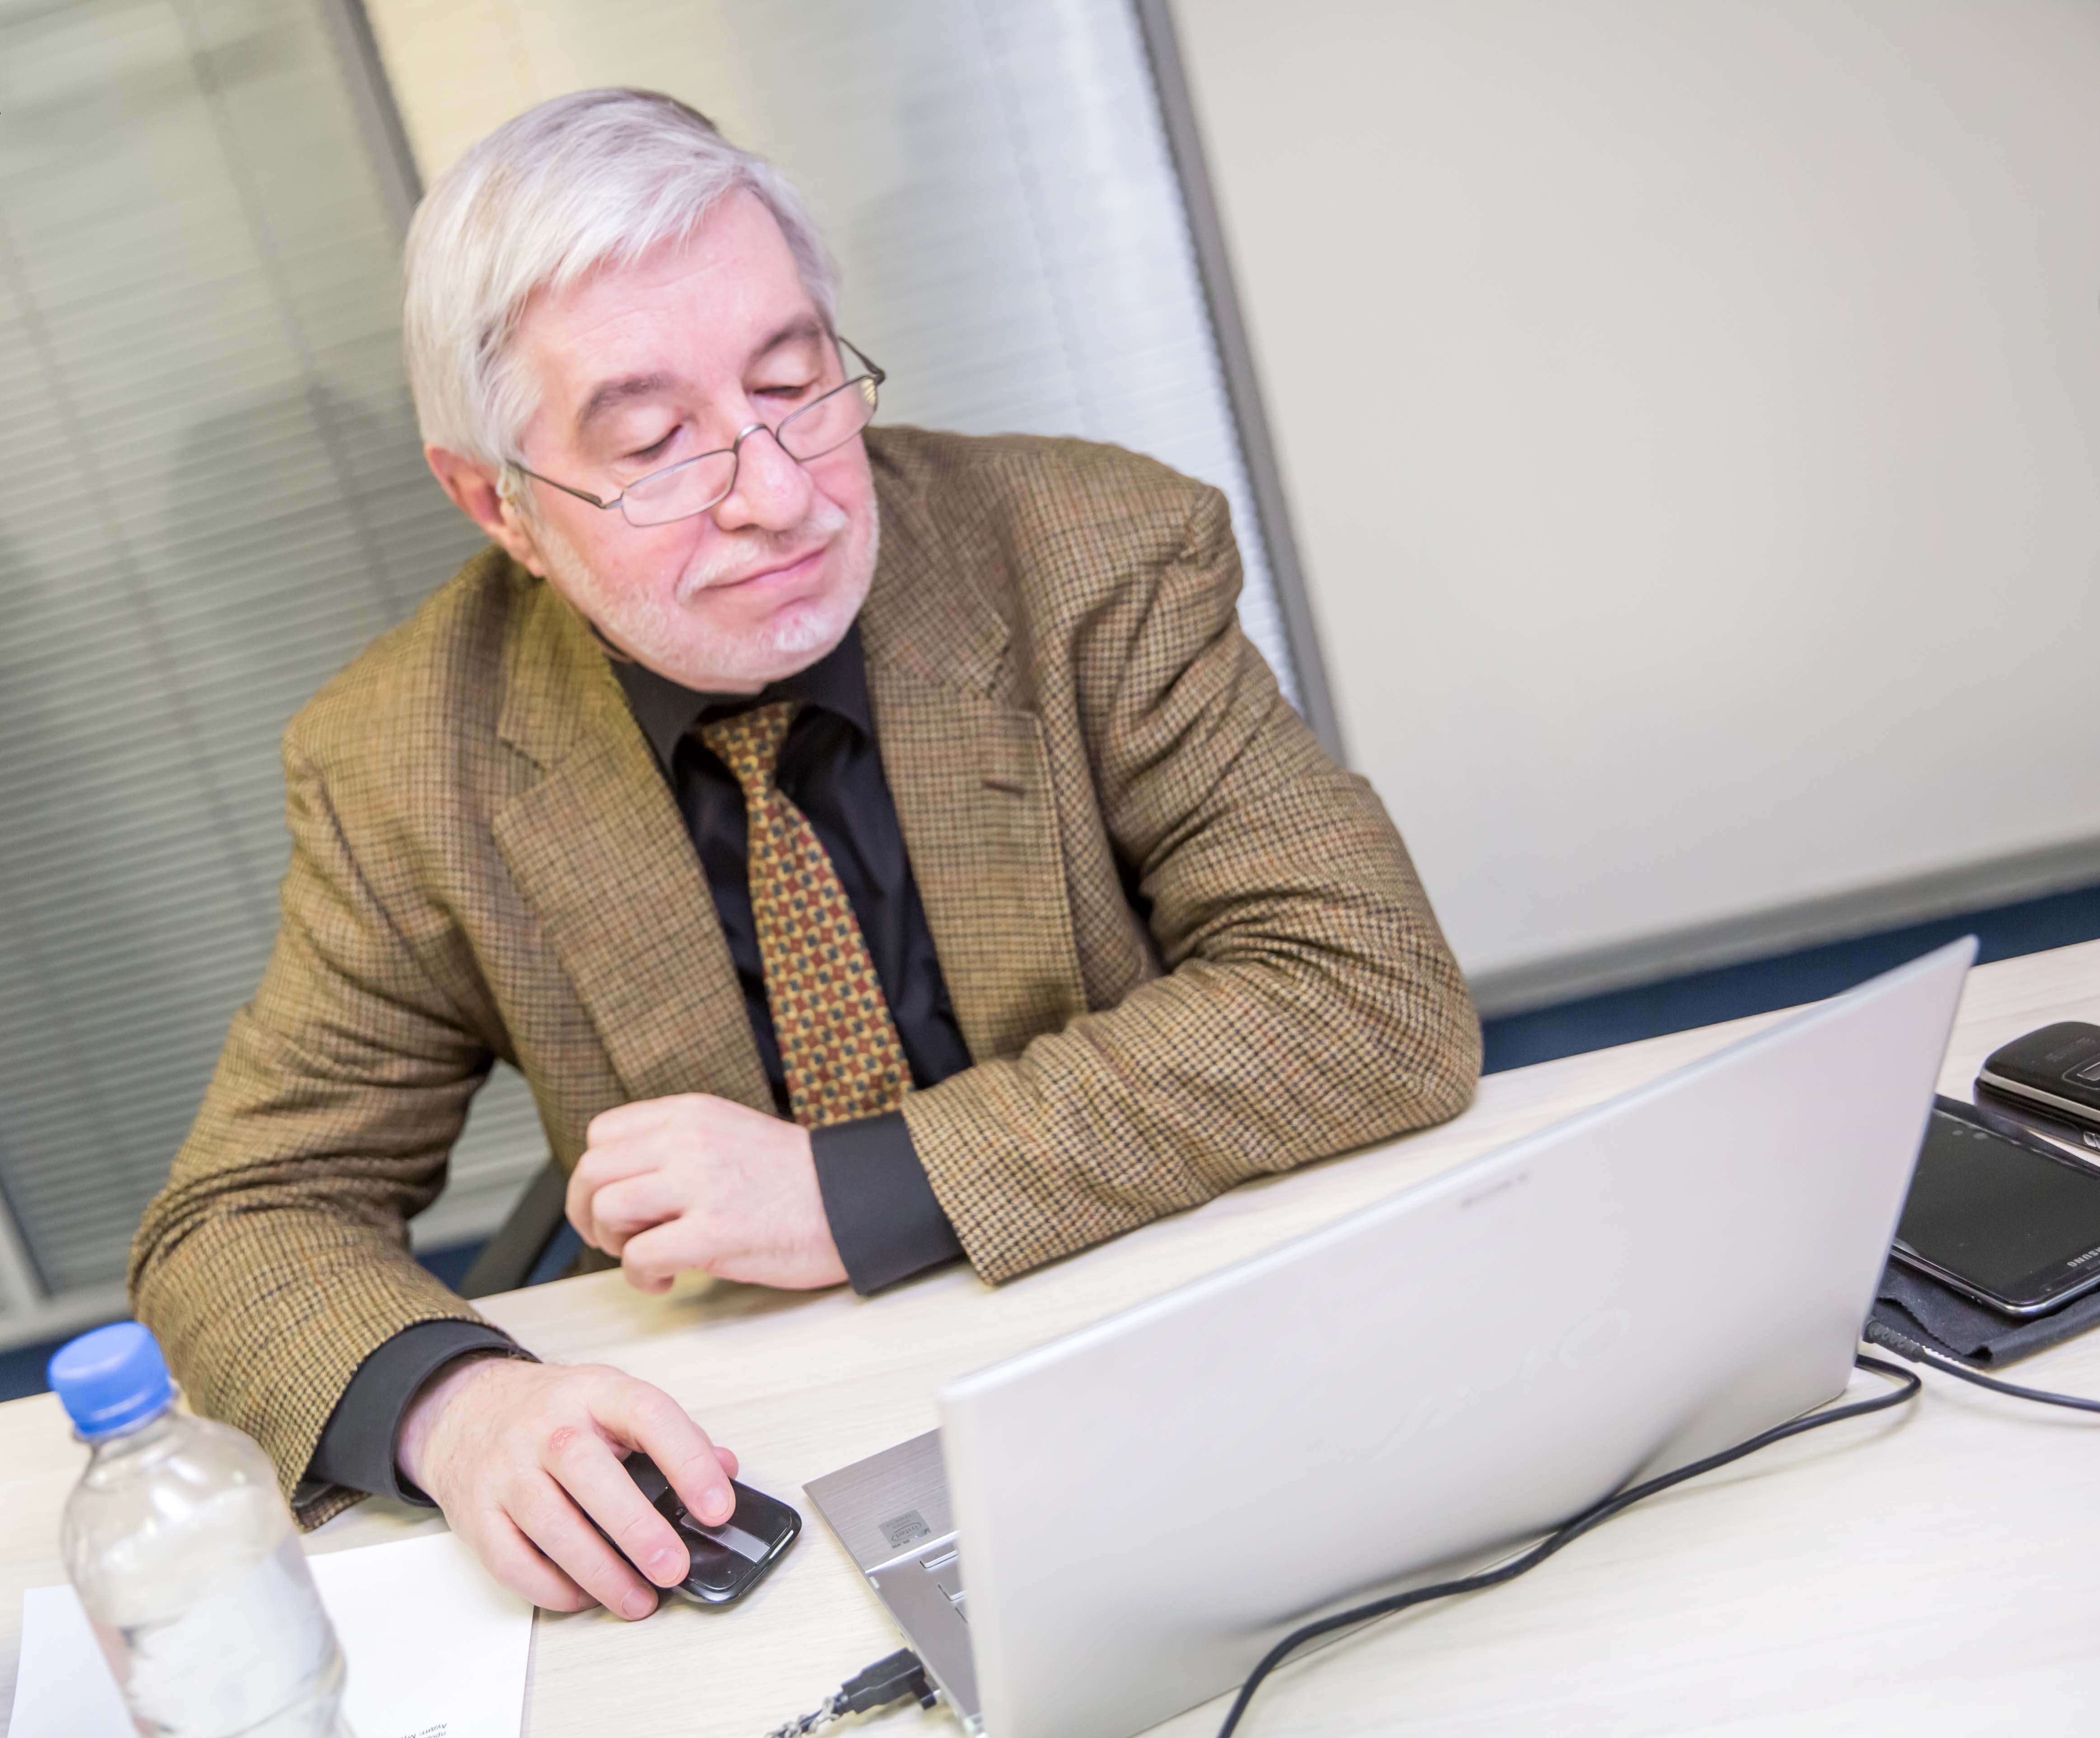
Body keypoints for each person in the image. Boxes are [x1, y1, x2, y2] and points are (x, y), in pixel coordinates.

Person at [129, 87, 1479, 1625]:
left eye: (795, 384)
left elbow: (1367, 991)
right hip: (782, 1446)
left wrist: (851, 1189)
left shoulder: (1095, 554)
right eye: (654, 448)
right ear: (498, 504)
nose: (780, 498)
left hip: (1178, 1308)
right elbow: (235, 1219)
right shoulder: (402, 760)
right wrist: (458, 1411)